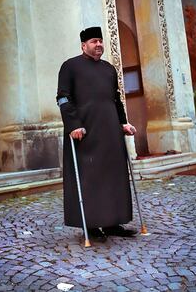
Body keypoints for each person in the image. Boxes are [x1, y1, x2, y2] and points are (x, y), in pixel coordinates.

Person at [56, 26, 137, 242]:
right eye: (94, 41)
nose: (99, 44)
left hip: (110, 132)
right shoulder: (70, 67)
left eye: (100, 41)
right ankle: (90, 226)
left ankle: (113, 222)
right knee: (89, 179)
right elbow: (63, 98)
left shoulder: (109, 69)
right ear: (84, 45)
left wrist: (123, 123)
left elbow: (116, 99)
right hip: (84, 133)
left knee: (113, 178)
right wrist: (73, 124)